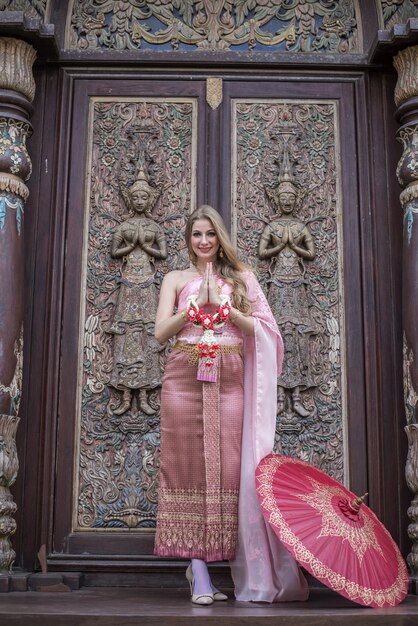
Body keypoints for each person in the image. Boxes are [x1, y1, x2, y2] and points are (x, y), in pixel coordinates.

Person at [154, 205, 308, 604]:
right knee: (185, 466)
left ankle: (207, 562)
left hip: (228, 377)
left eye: (210, 234)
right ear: (187, 240)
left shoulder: (242, 278)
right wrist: (193, 308)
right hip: (184, 374)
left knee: (226, 470)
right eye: (196, 235)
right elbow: (159, 333)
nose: (203, 241)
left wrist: (226, 310)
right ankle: (199, 570)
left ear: (220, 238)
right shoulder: (175, 278)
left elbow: (265, 330)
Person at [108, 170, 167, 416]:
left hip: (147, 284)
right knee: (126, 335)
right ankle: (124, 395)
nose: (141, 201)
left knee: (146, 334)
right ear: (130, 200)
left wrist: (145, 247)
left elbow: (162, 254)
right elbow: (114, 252)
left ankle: (144, 394)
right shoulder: (125, 226)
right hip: (129, 284)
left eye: (144, 197)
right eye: (137, 197)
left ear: (150, 199)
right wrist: (133, 246)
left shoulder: (154, 227)